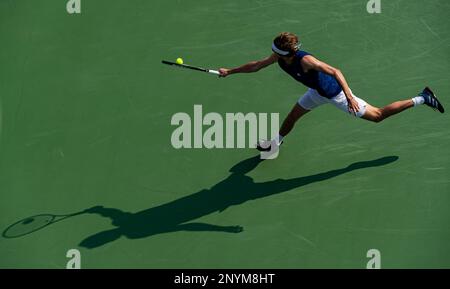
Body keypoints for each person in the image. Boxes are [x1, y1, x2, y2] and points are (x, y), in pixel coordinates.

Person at [218, 32, 445, 151]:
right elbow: (256, 65)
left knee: (377, 116)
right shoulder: (278, 56)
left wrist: (348, 96)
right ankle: (276, 142)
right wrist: (230, 71)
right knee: (293, 115)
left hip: (336, 94)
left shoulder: (305, 60)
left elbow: (335, 71)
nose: (274, 56)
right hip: (316, 91)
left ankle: (422, 98)